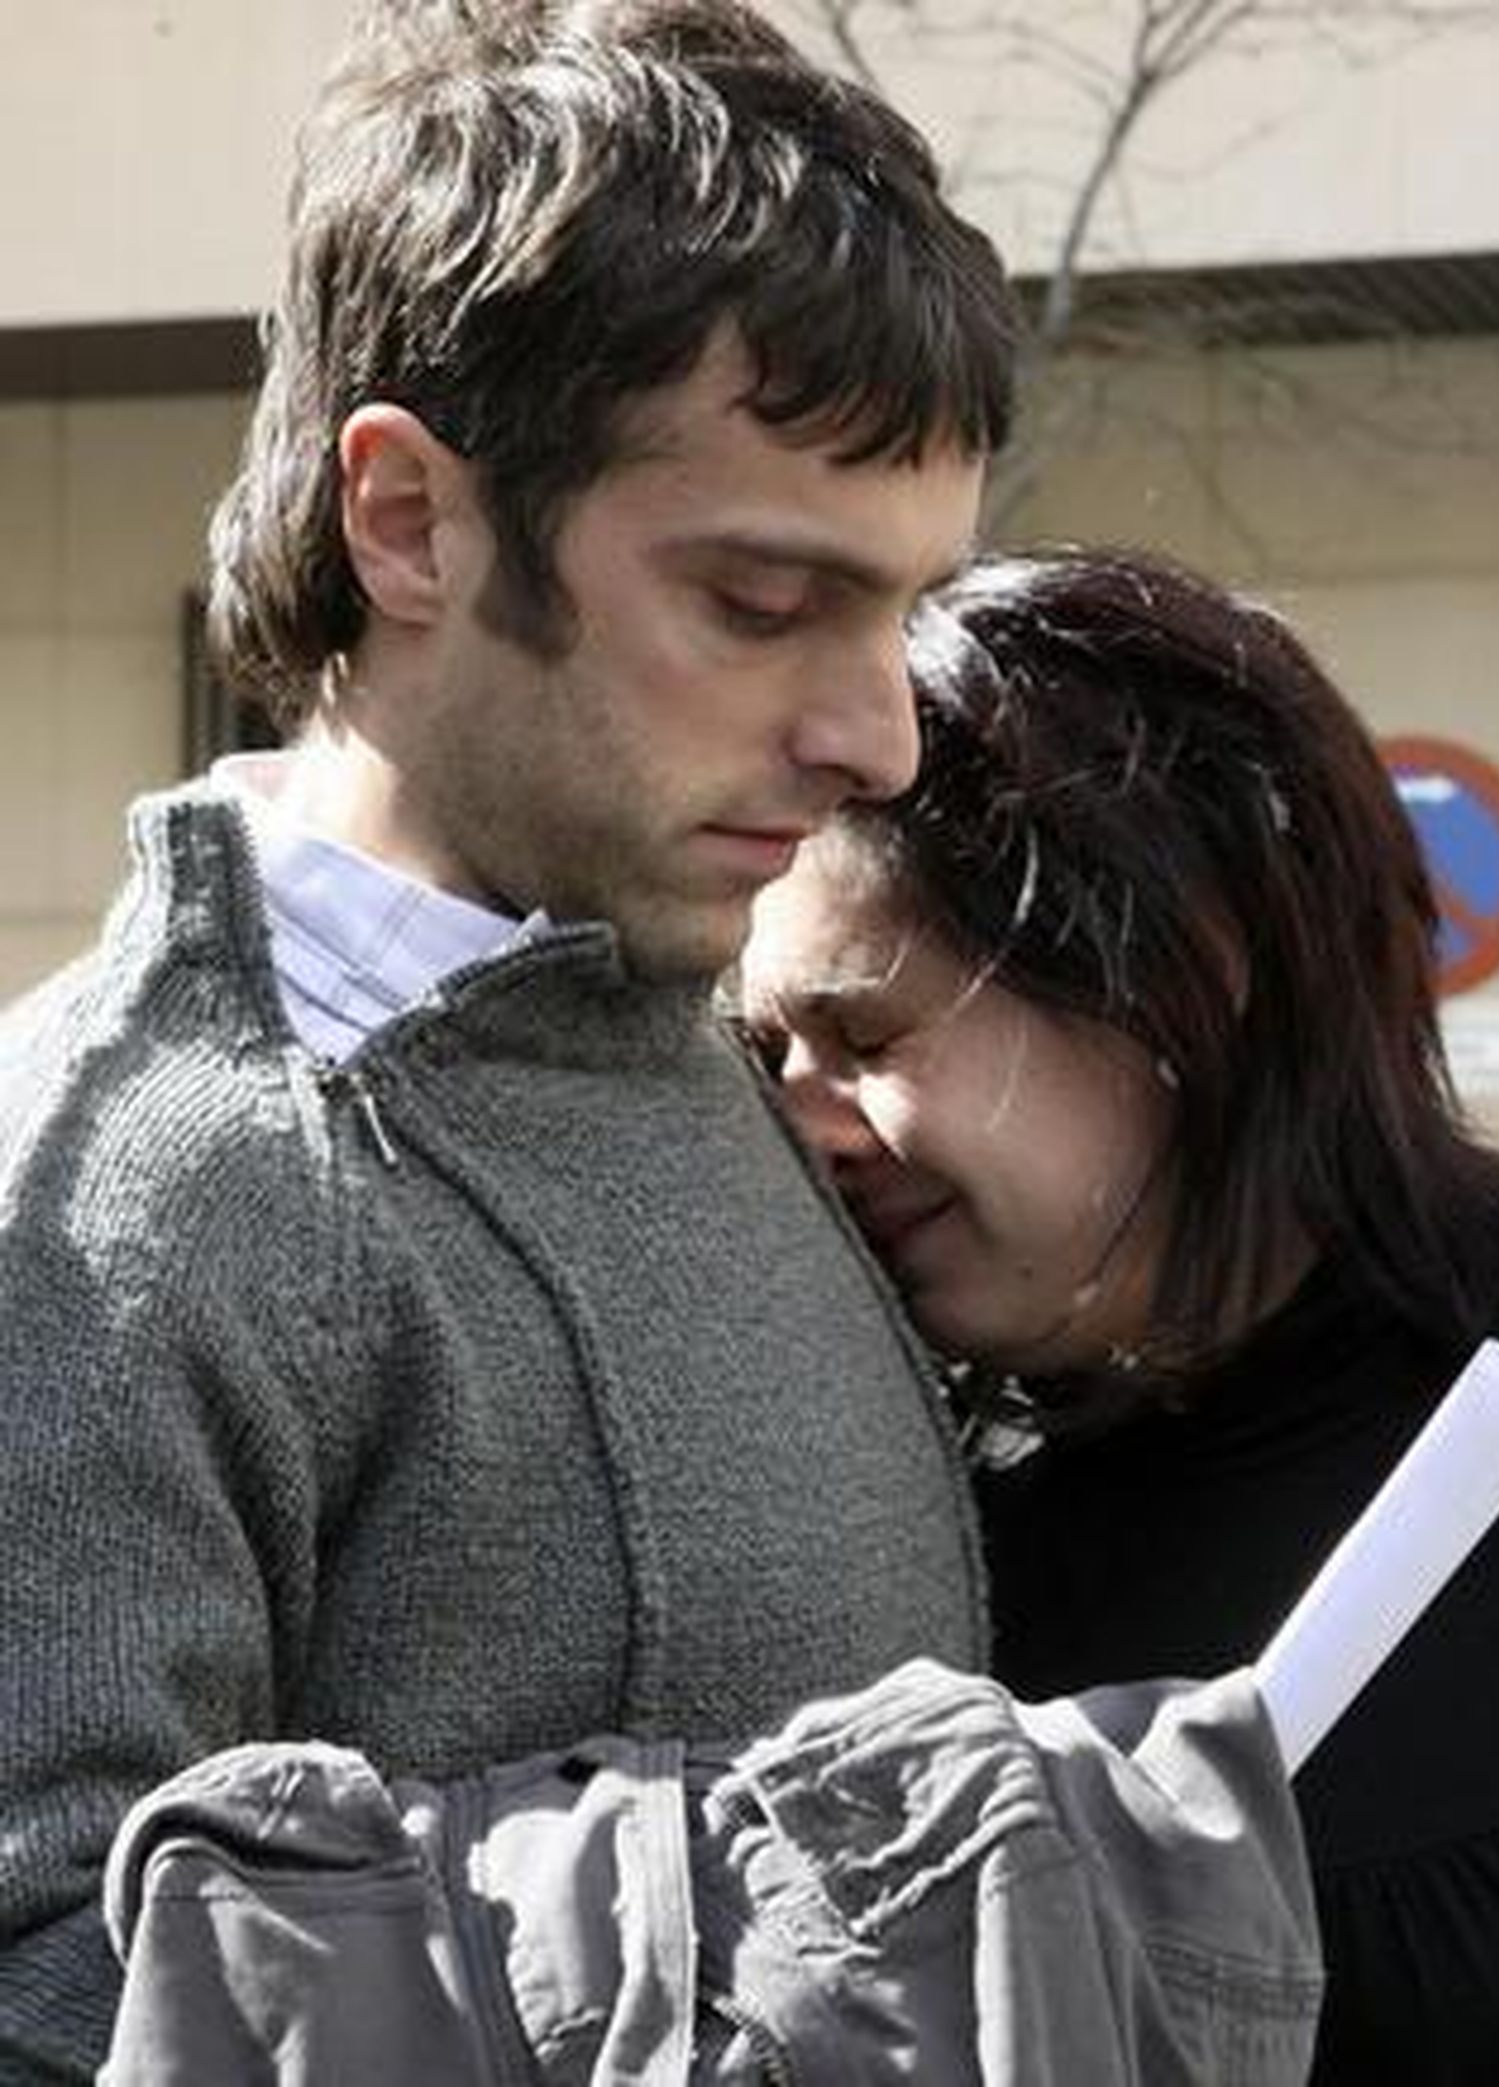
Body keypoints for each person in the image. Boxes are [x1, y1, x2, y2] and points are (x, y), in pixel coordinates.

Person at [0, 2, 1024, 2074]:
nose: (879, 735)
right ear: (408, 520)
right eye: (762, 603)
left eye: (904, 612)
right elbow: (44, 1989)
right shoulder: (115, 1210)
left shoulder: (703, 1047)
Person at [740, 545, 1499, 2087]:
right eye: (764, 1060)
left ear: (1190, 971)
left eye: (861, 1033)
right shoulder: (899, 1533)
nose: (804, 1125)